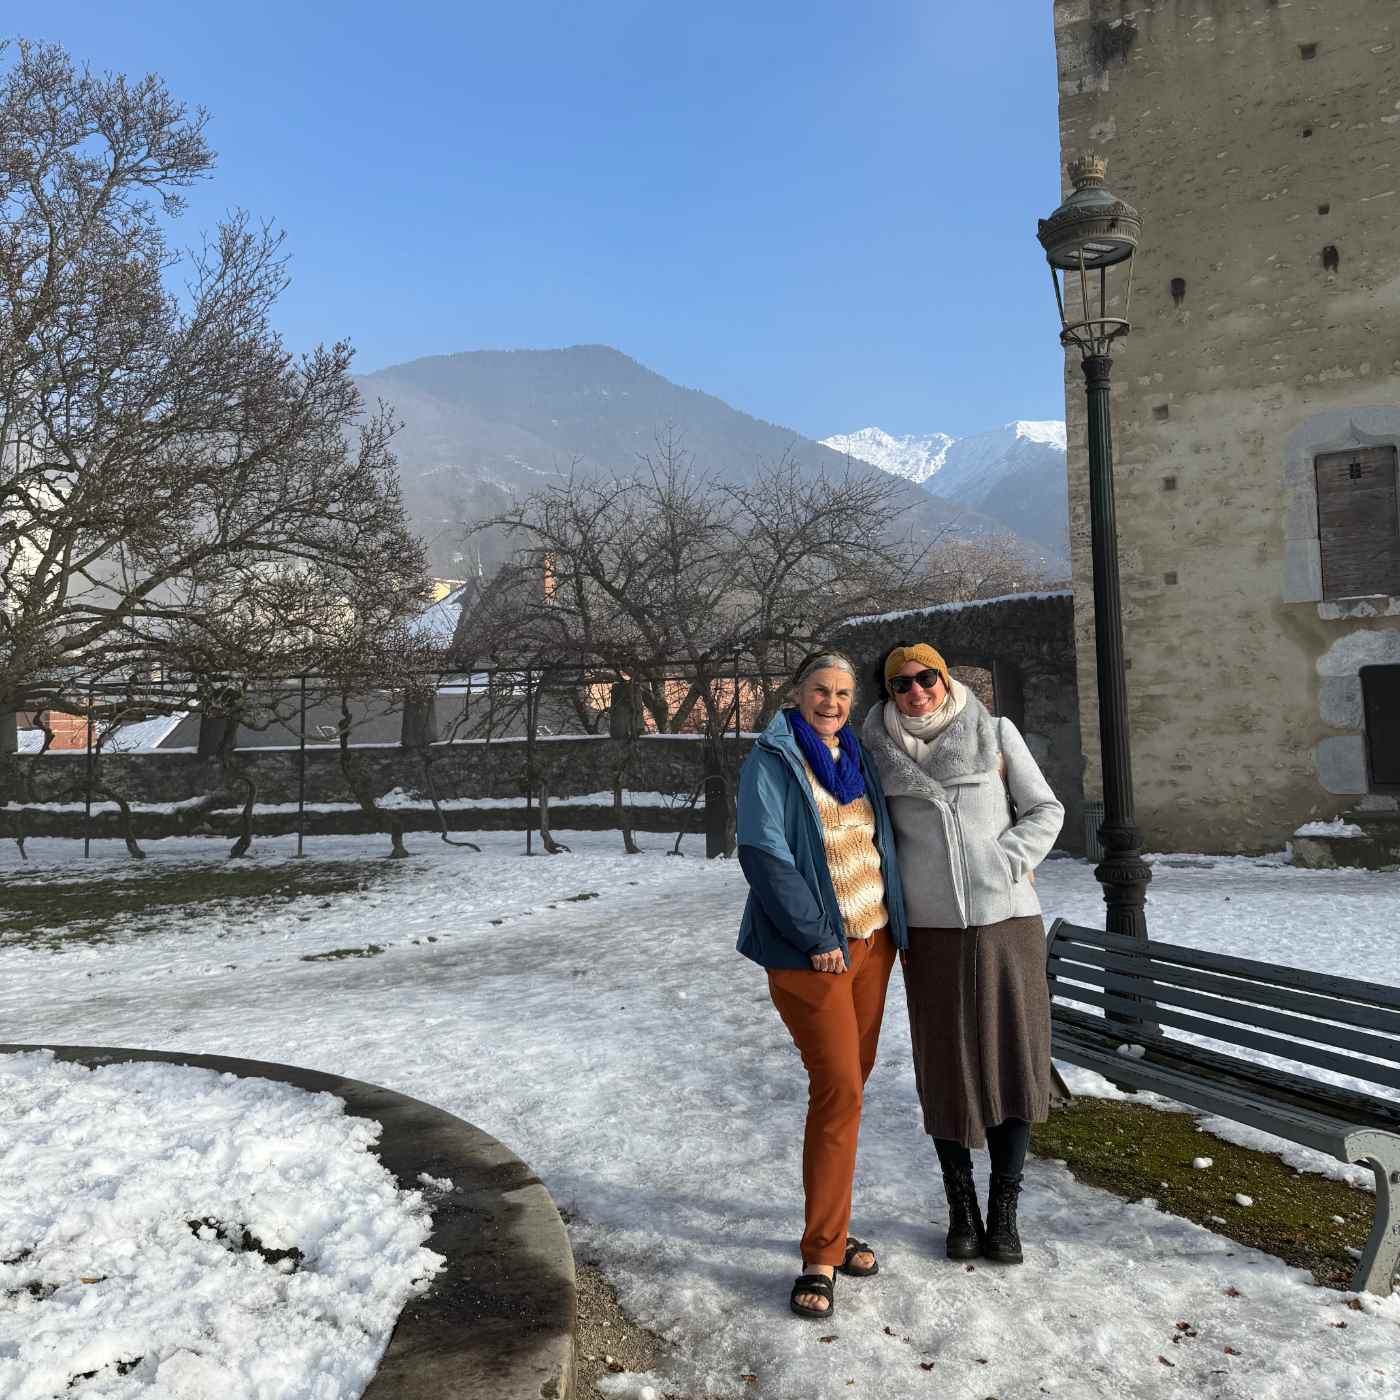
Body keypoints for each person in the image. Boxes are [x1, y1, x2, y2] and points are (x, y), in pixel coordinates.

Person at [860, 642, 1064, 1265]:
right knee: (946, 1065)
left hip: (1007, 923)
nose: (917, 691)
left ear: (946, 679)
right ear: (888, 692)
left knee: (1013, 1057)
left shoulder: (995, 732)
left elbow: (1045, 808)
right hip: (931, 932)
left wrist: (1007, 861)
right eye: (902, 684)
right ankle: (961, 1207)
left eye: (928, 678)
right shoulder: (873, 750)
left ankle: (1004, 1207)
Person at [735, 648, 908, 1319]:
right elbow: (764, 853)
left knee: (850, 1092)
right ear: (797, 691)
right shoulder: (773, 760)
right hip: (812, 954)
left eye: (842, 693)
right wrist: (818, 936)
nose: (831, 702)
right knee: (837, 1089)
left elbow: (882, 840)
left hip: (874, 944)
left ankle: (832, 1229)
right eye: (820, 690)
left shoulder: (857, 757)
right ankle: (819, 1255)